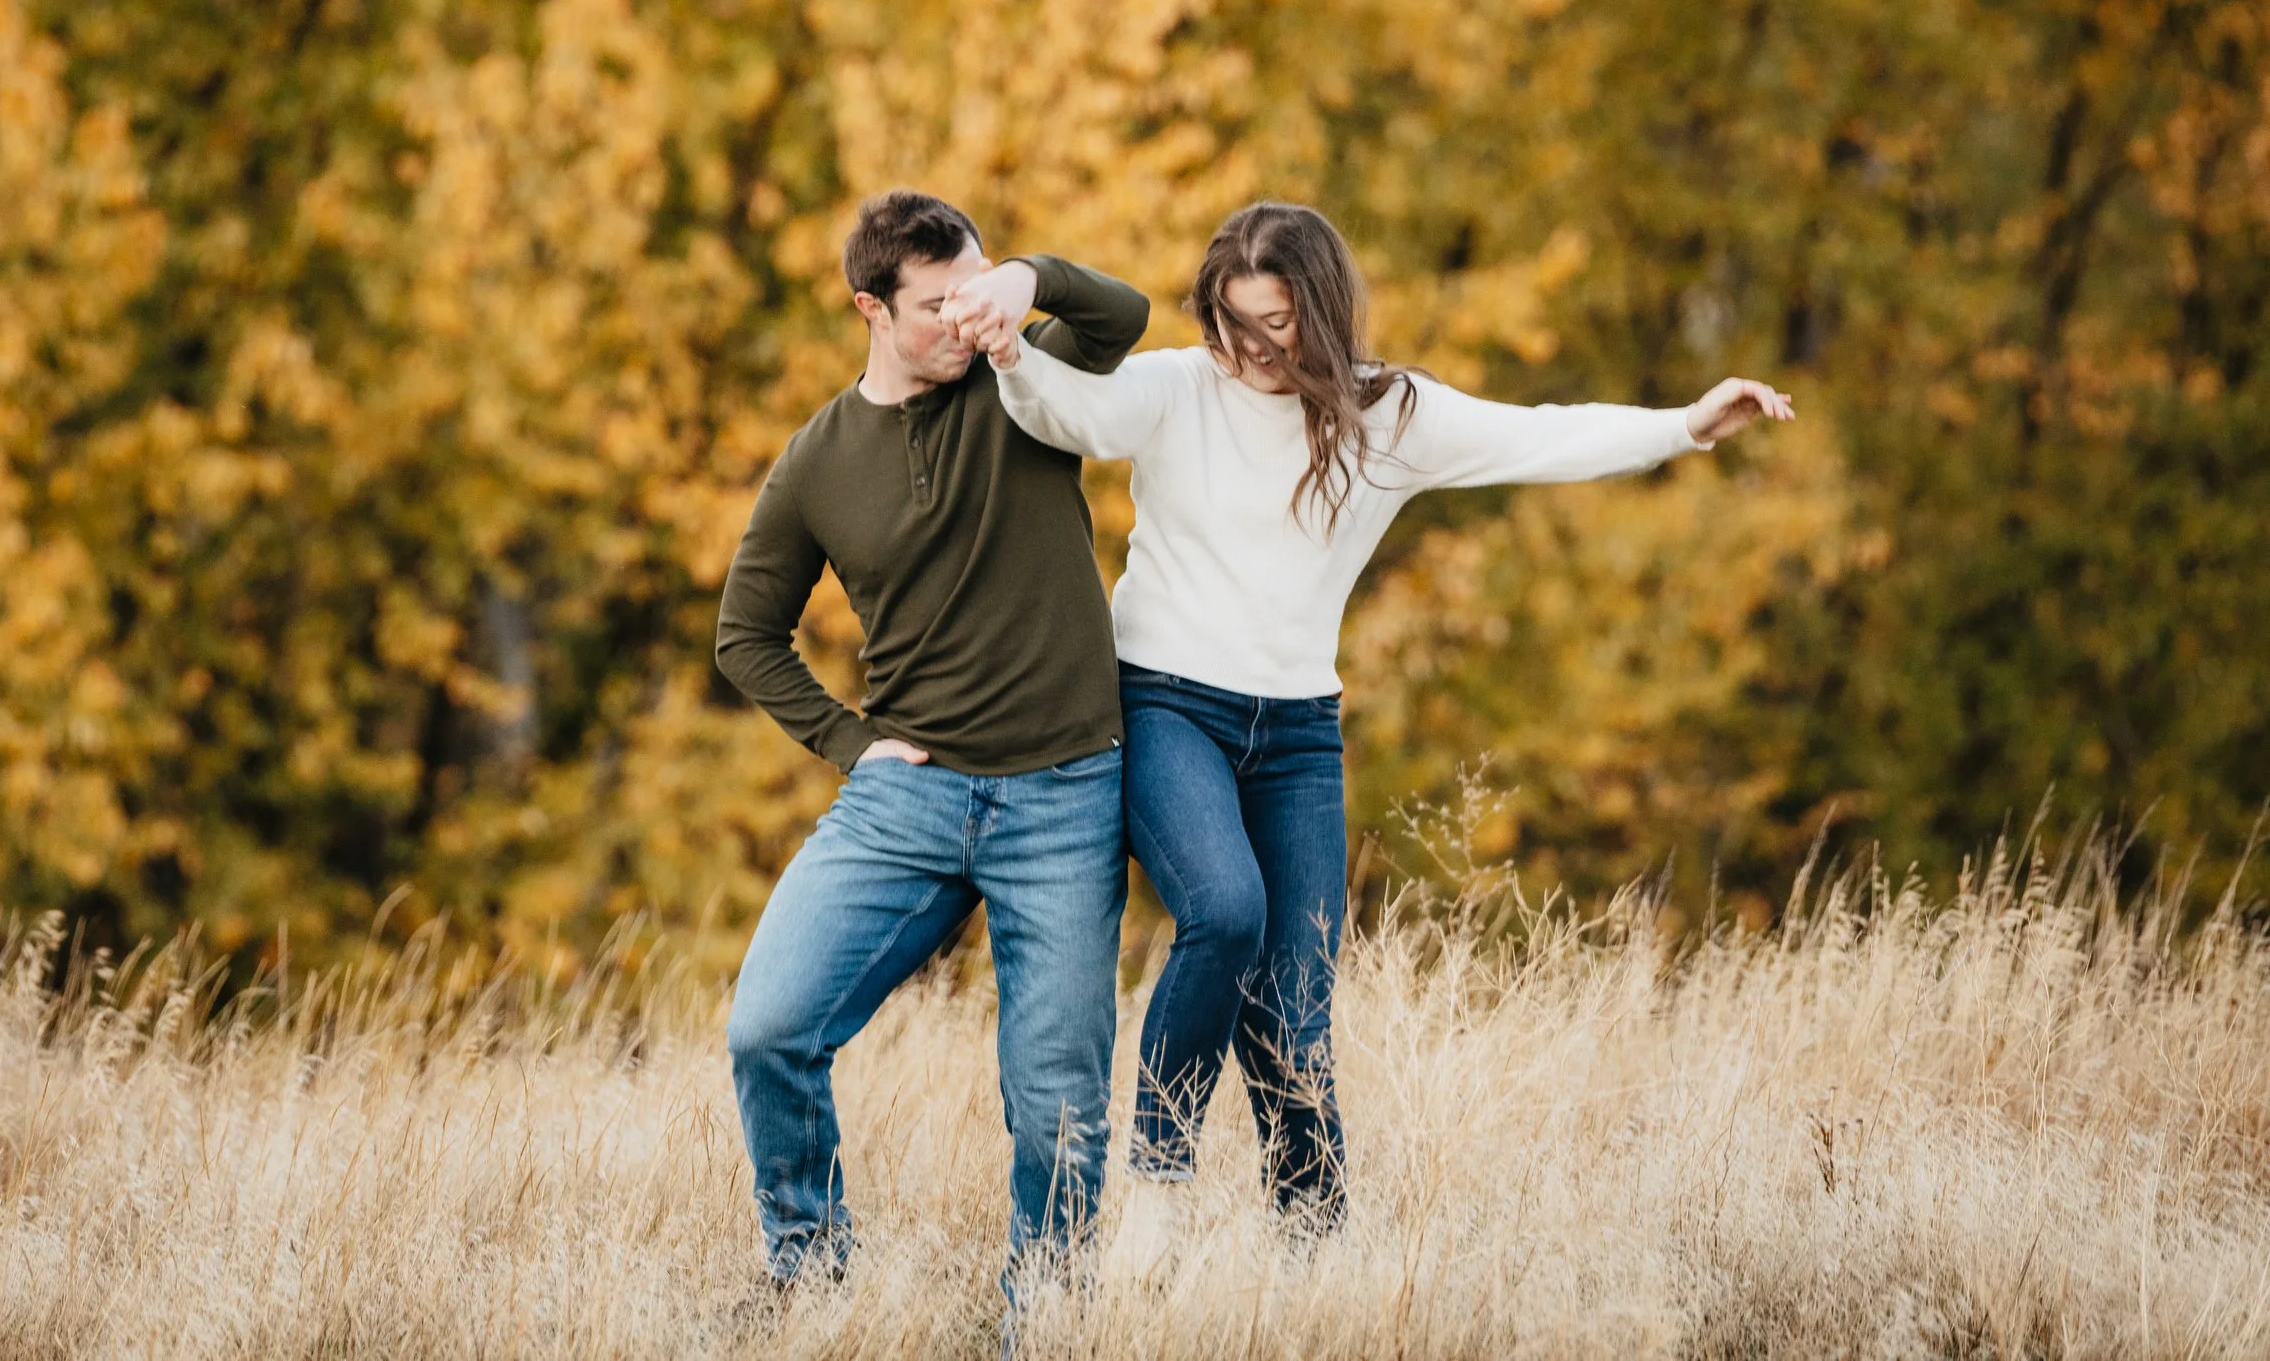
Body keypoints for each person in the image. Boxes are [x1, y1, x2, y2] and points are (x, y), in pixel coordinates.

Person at [945, 200, 1793, 1226]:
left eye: (1273, 325)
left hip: (1299, 732)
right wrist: (1008, 356)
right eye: (1228, 321)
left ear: (1323, 311)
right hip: (1168, 701)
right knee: (1223, 910)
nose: (1246, 348)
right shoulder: (1179, 385)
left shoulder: (1388, 415)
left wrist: (1685, 425)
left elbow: (1537, 436)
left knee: (1295, 1004)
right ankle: (1156, 1186)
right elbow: (1071, 413)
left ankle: (1312, 1239)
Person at [714, 189, 1150, 1290]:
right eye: (937, 304)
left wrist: (1027, 280)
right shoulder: (816, 459)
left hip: (1062, 793)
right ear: (870, 307)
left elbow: (1125, 316)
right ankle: (808, 1275)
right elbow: (744, 635)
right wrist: (849, 742)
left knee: (1056, 1103)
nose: (964, 319)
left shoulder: (1021, 380)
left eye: (975, 290)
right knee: (768, 1028)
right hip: (907, 793)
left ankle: (1042, 1315)